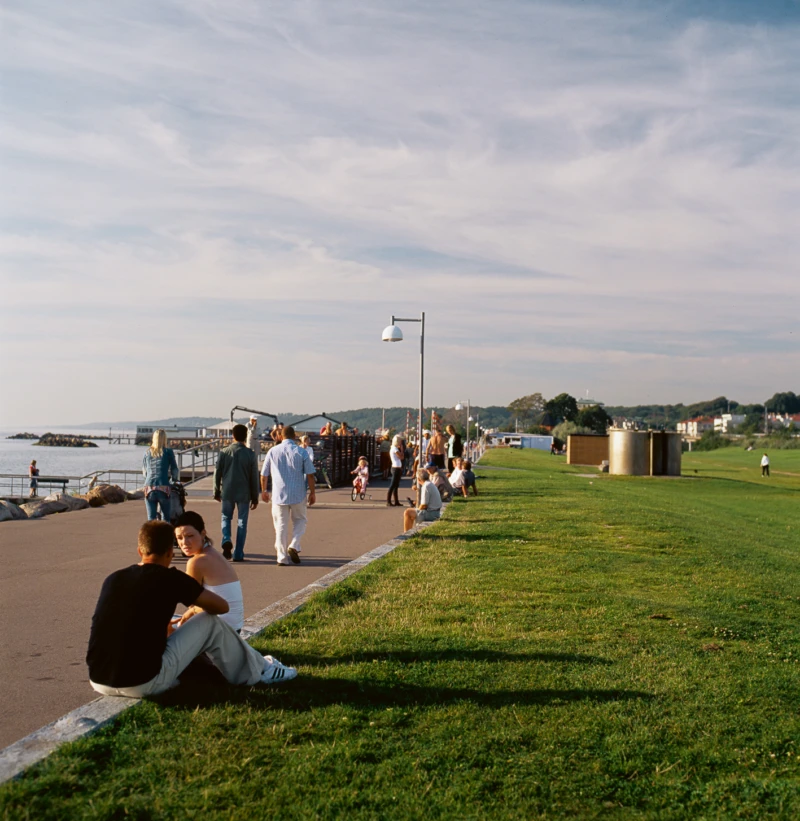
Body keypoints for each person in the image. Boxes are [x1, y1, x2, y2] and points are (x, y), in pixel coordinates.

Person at [86, 520, 296, 698]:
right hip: (142, 683)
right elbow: (221, 607)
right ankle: (257, 674)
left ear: (140, 551)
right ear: (170, 552)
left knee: (175, 621)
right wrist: (193, 609)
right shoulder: (172, 579)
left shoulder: (113, 579)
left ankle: (257, 664)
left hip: (98, 680)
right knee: (208, 622)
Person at [174, 511, 245, 632]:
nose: (184, 543)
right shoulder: (213, 553)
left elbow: (191, 601)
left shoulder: (197, 562)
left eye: (190, 536)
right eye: (179, 538)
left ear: (203, 534)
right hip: (235, 627)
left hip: (220, 631)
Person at [260, 426, 316, 566]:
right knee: (300, 520)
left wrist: (264, 490)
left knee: (281, 526)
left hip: (279, 495)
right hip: (298, 494)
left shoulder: (272, 451)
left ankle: (281, 557)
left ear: (280, 436)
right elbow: (310, 474)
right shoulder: (301, 452)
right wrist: (313, 492)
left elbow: (264, 474)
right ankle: (294, 544)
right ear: (294, 436)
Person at [213, 424, 260, 562]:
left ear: (232, 435)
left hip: (227, 491)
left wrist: (216, 490)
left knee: (226, 517)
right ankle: (238, 552)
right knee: (242, 522)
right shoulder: (250, 454)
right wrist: (255, 497)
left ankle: (226, 538)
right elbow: (254, 478)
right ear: (246, 436)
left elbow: (217, 473)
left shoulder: (224, 452)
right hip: (244, 493)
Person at [142, 430, 179, 522]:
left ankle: (152, 536)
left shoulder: (147, 452)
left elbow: (144, 472)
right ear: (164, 439)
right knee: (166, 518)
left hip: (149, 487)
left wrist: (147, 479)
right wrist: (173, 480)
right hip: (163, 486)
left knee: (151, 518)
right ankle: (165, 536)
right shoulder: (168, 452)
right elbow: (174, 470)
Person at [386, 435, 404, 507]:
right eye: (400, 441)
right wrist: (402, 450)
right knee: (393, 485)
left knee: (396, 485)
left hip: (397, 467)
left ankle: (396, 501)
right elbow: (401, 457)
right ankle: (388, 501)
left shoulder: (394, 448)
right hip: (395, 468)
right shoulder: (395, 449)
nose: (400, 443)